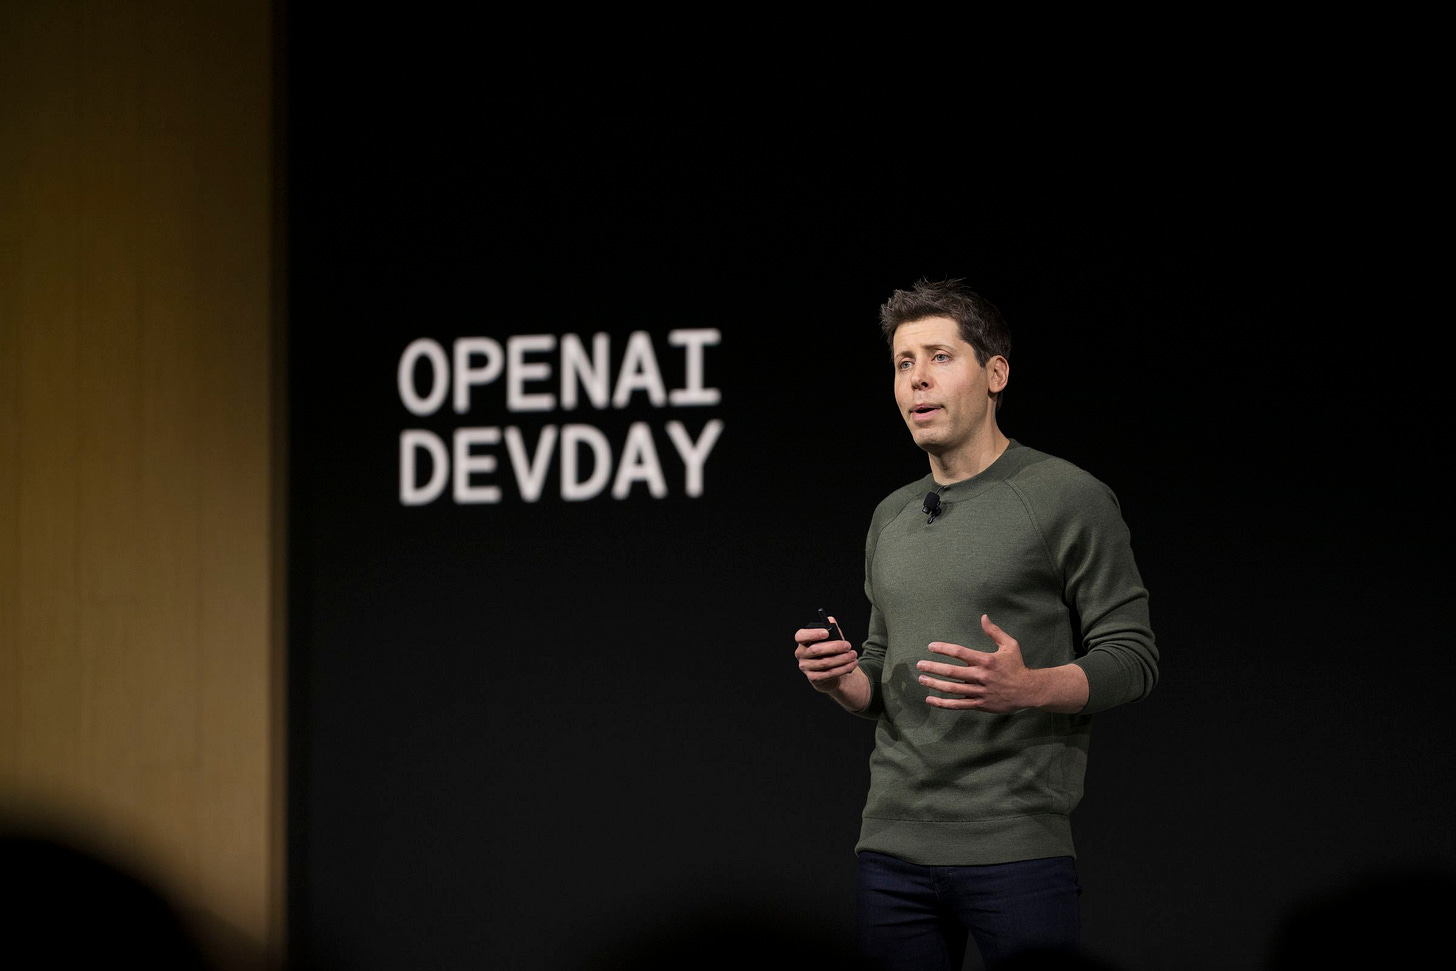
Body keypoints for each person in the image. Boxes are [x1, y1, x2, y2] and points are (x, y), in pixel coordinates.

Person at [794, 279, 1158, 970]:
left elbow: (1133, 655)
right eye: (903, 363)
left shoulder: (1065, 496)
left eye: (939, 356)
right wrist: (842, 679)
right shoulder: (890, 515)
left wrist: (1031, 686)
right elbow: (879, 669)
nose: (917, 380)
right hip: (892, 851)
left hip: (1015, 847)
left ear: (995, 374)